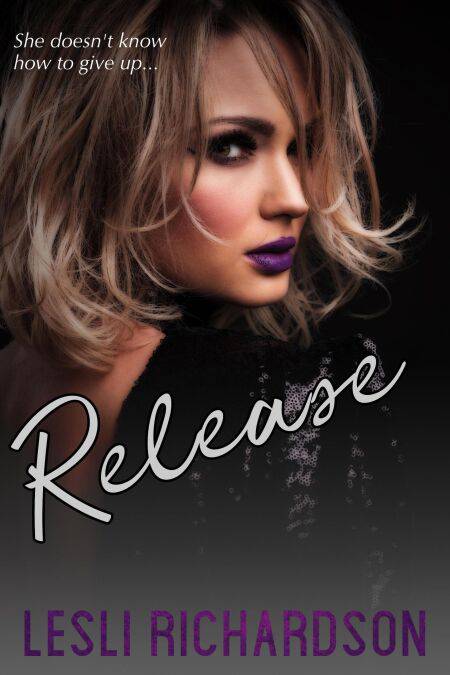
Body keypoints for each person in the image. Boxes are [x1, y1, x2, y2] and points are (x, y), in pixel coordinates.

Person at [0, 0, 413, 649]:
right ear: (109, 155)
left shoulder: (15, 383)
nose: (294, 197)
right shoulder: (292, 405)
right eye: (232, 146)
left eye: (301, 147)